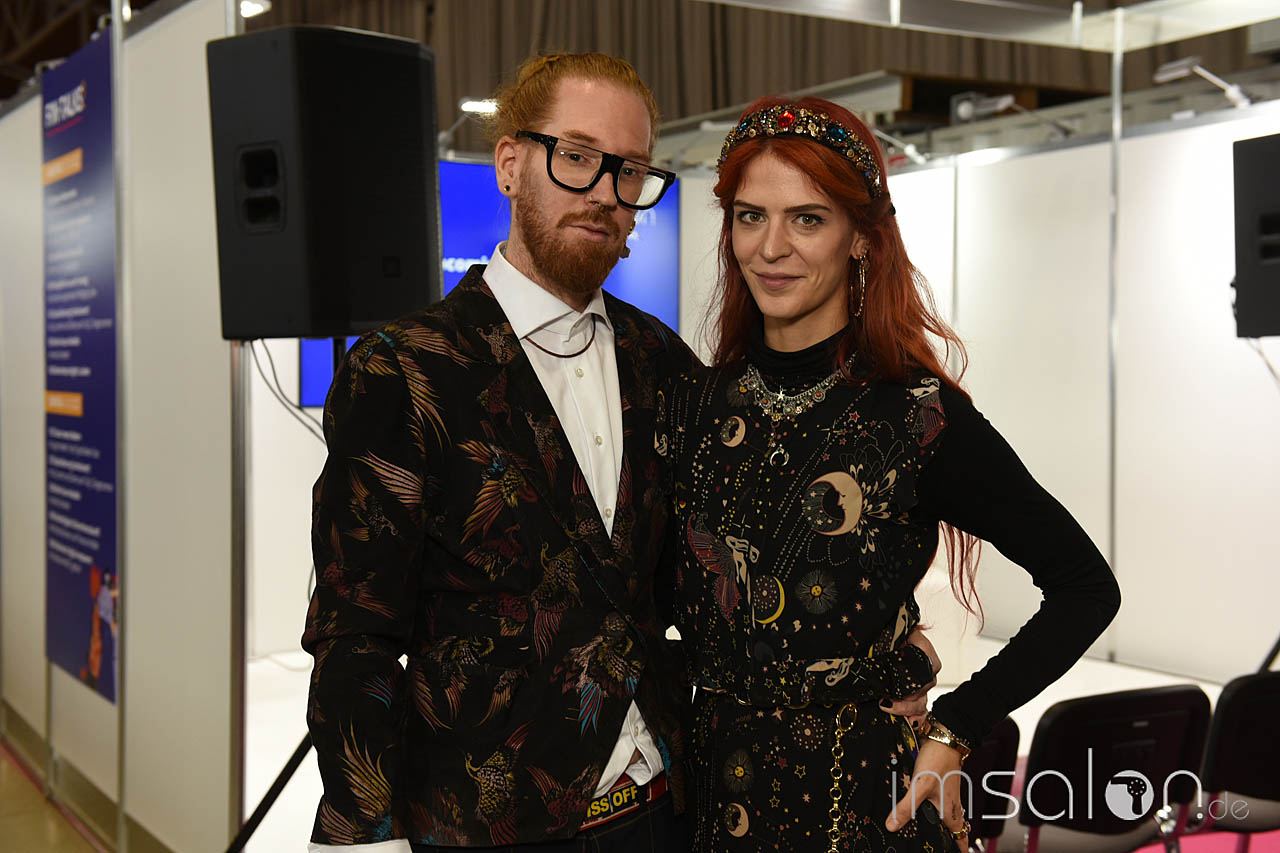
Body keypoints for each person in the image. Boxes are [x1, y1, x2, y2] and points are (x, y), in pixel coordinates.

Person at [655, 96, 1122, 852]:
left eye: (807, 219)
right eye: (750, 217)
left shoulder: (914, 414)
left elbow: (1085, 587)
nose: (771, 247)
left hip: (870, 805)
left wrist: (958, 724)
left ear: (862, 238)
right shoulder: (693, 406)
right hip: (717, 799)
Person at [303, 53, 697, 851]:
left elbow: (700, 580)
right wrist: (367, 831)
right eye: (577, 156)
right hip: (487, 825)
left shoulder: (662, 360)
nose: (605, 192)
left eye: (630, 170)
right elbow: (356, 632)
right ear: (510, 164)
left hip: (662, 812)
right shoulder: (405, 370)